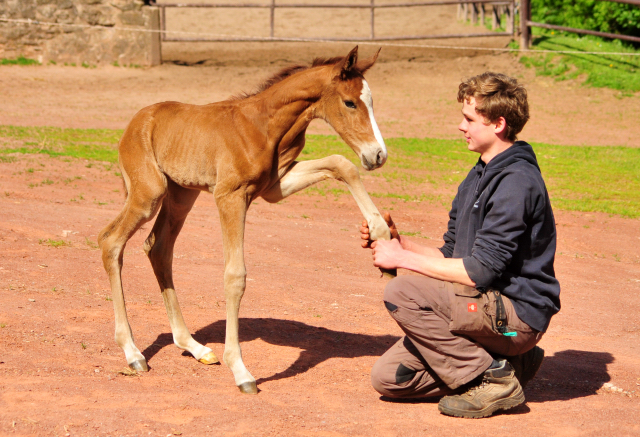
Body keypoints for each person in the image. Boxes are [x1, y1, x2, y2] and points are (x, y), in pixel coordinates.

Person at [360, 72, 560, 419]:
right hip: (482, 310)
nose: (460, 126)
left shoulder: (517, 182)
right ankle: (509, 364)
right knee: (391, 379)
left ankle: (494, 380)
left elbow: (478, 270)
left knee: (402, 291)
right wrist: (397, 241)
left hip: (515, 320)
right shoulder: (478, 175)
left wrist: (402, 259)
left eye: (469, 119)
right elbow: (451, 254)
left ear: (498, 123)